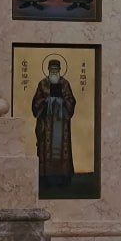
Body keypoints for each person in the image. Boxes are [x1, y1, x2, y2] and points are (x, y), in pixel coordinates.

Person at [33, 58, 77, 190]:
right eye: (52, 69)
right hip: (47, 124)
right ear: (48, 69)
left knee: (61, 151)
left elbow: (71, 100)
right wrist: (46, 101)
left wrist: (62, 101)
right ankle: (46, 181)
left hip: (61, 125)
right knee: (46, 151)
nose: (54, 71)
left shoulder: (65, 84)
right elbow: (36, 103)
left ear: (60, 70)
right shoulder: (42, 84)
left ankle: (62, 181)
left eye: (56, 69)